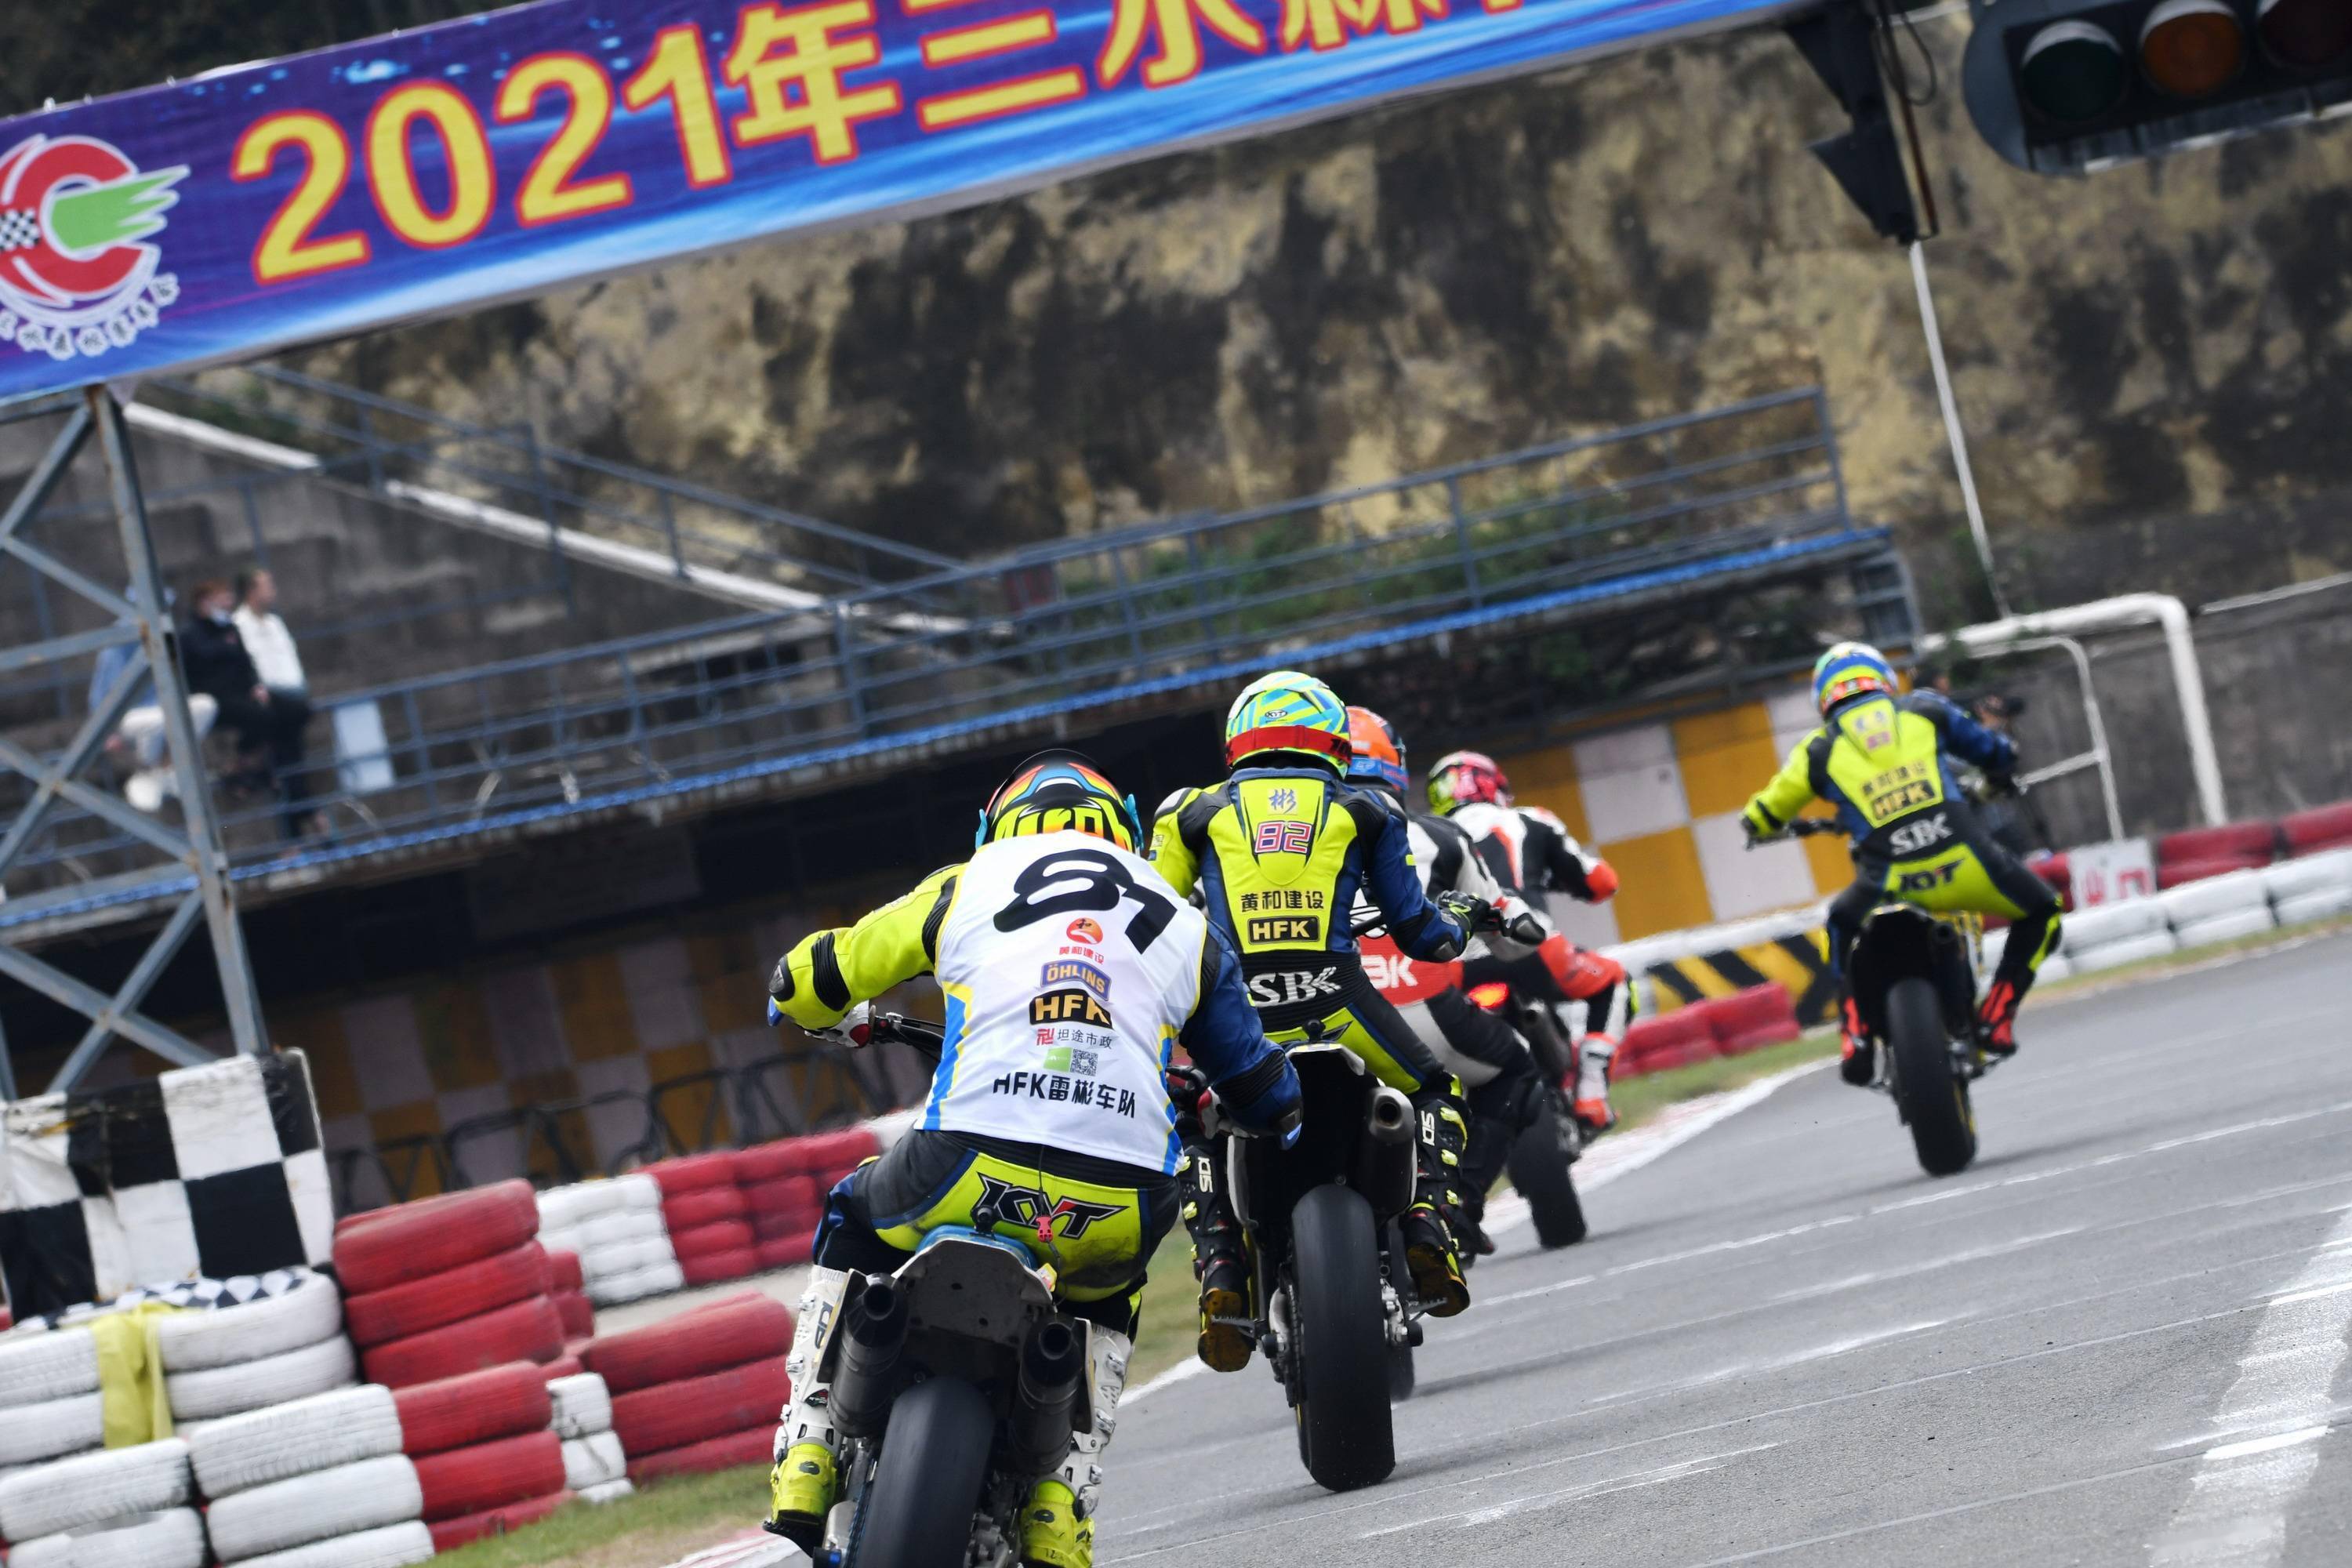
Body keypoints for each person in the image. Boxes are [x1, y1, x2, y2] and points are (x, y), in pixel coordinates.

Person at [763, 750, 1301, 1568]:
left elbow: (819, 975)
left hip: (960, 1168)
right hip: (1116, 1203)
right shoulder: (1187, 924)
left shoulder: (969, 881)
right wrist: (1277, 1109)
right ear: (1124, 829)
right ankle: (1060, 1499)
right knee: (1111, 1298)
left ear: (996, 825)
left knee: (851, 1214)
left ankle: (809, 1442)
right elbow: (1262, 1086)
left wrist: (793, 992)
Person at [1149, 670, 1484, 1359]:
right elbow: (1424, 936)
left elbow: (1148, 924)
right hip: (1340, 1003)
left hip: (1240, 1019)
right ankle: (1428, 1224)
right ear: (1334, 741)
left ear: (1237, 741)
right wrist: (1461, 916)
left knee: (1186, 1113)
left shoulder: (1188, 811)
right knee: (1435, 1088)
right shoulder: (1369, 809)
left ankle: (1220, 1263)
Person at [1740, 641, 2063, 1080]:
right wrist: (1998, 773)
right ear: (1885, 680)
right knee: (2043, 911)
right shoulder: (1926, 709)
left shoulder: (1817, 750)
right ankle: (1997, 1017)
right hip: (1968, 865)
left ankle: (1854, 1034)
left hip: (1888, 883)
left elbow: (1762, 814)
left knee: (1840, 925)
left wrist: (1760, 826)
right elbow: (1996, 752)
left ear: (1823, 699)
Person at [1342, 706, 1551, 1259]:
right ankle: (1459, 1206)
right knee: (1516, 1067)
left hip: (1299, 1008)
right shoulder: (1436, 834)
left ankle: (1227, 1253)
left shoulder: (1253, 835)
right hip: (1414, 1005)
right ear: (1392, 766)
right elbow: (1508, 927)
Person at [1425, 750, 1628, 1131]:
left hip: (1455, 966)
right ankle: (1592, 1093)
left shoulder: (1424, 837)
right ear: (1491, 785)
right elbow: (1601, 883)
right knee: (1614, 980)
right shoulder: (1532, 819)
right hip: (1534, 948)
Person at [232, 571, 319, 839]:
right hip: (270, 700)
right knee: (288, 762)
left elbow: (288, 660)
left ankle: (300, 826)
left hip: (291, 697)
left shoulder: (274, 622)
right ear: (251, 591)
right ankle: (309, 820)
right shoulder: (240, 625)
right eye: (266, 585)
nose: (272, 590)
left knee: (287, 763)